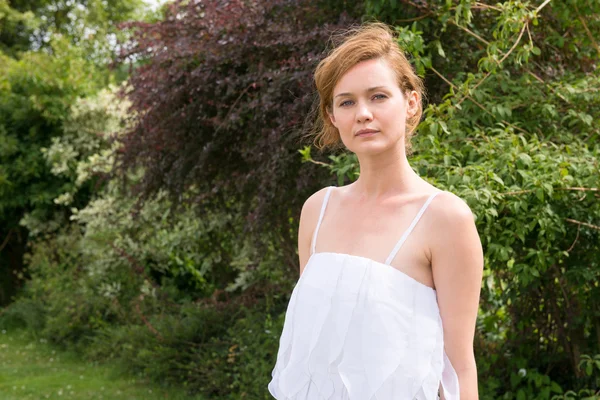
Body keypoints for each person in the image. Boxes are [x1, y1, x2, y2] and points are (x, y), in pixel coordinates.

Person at [268, 22, 483, 400]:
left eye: (378, 96)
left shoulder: (446, 218)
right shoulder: (317, 211)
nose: (363, 113)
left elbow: (460, 367)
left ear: (411, 103)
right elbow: (314, 349)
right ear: (333, 116)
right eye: (346, 102)